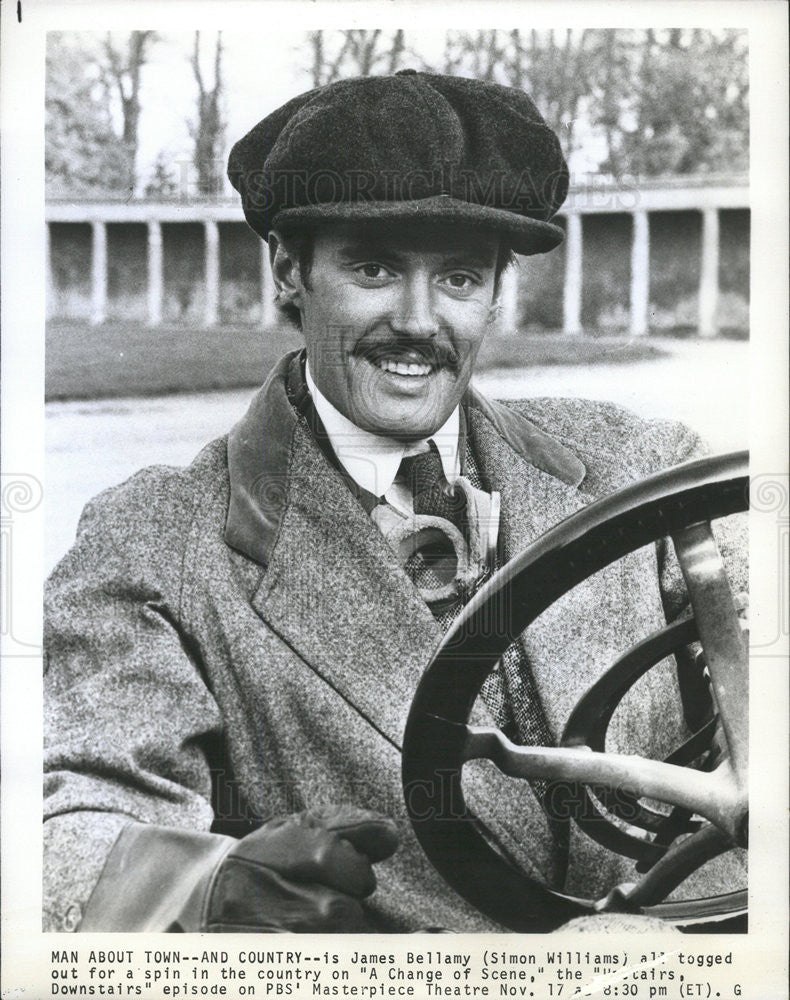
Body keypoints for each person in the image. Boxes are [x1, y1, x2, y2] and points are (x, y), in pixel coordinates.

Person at [43, 70, 746, 933]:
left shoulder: (646, 467)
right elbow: (79, 825)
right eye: (374, 268)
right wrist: (205, 884)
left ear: (494, 292)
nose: (418, 321)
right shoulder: (151, 545)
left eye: (457, 277)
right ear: (290, 270)